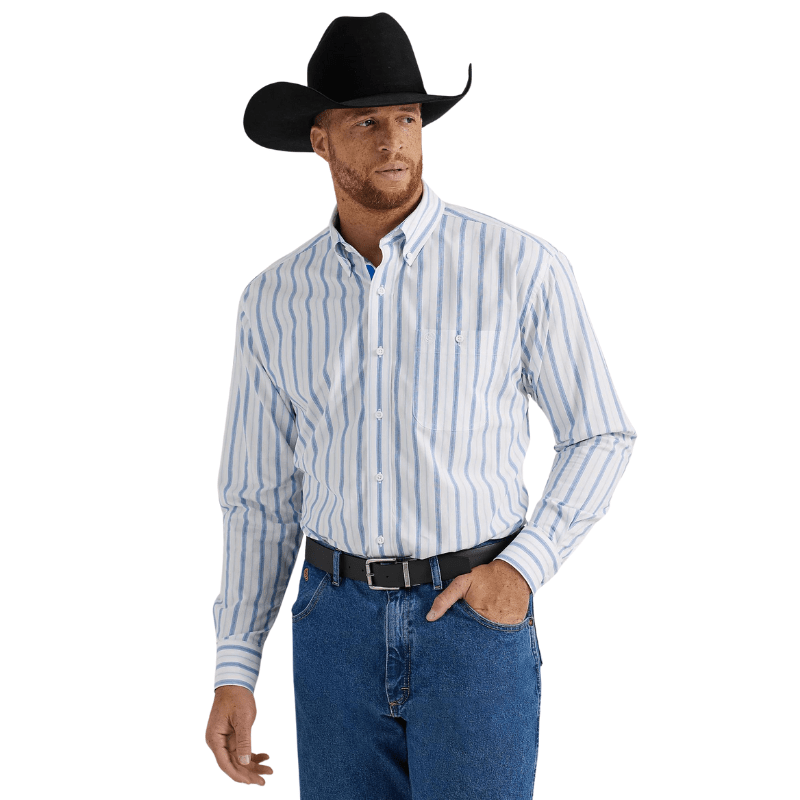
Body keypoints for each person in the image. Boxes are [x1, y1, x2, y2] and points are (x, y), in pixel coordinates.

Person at [205, 11, 637, 798]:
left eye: (407, 118)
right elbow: (258, 498)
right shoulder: (273, 300)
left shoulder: (519, 266)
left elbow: (600, 433)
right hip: (332, 626)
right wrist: (236, 665)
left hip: (471, 616)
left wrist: (522, 570)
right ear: (321, 141)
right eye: (366, 123)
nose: (393, 142)